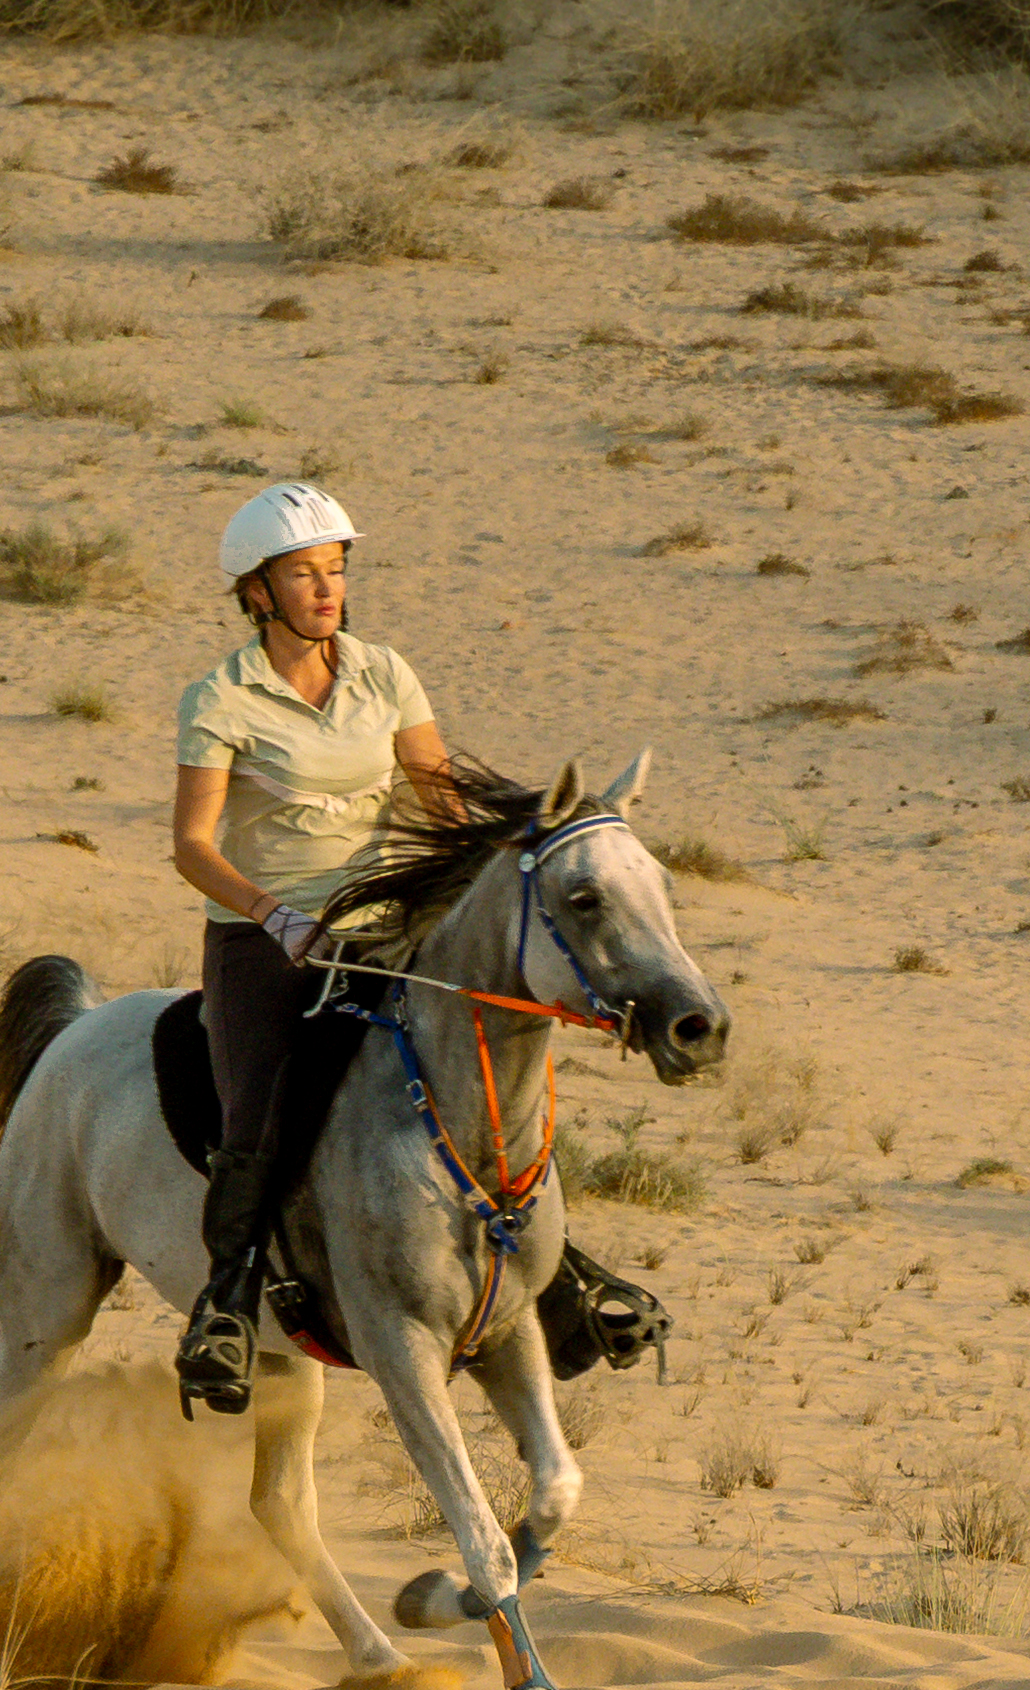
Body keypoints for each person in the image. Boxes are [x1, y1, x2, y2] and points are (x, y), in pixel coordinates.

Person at [167, 476, 675, 1422]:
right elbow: (192, 847)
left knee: (484, 1086)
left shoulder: (386, 672)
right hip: (265, 944)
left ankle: (554, 1285)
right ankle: (226, 1305)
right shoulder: (219, 699)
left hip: (387, 929)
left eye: (337, 570)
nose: (328, 589)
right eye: (304, 574)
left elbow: (438, 801)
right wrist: (276, 916)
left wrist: (461, 892)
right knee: (263, 1111)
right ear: (256, 592)